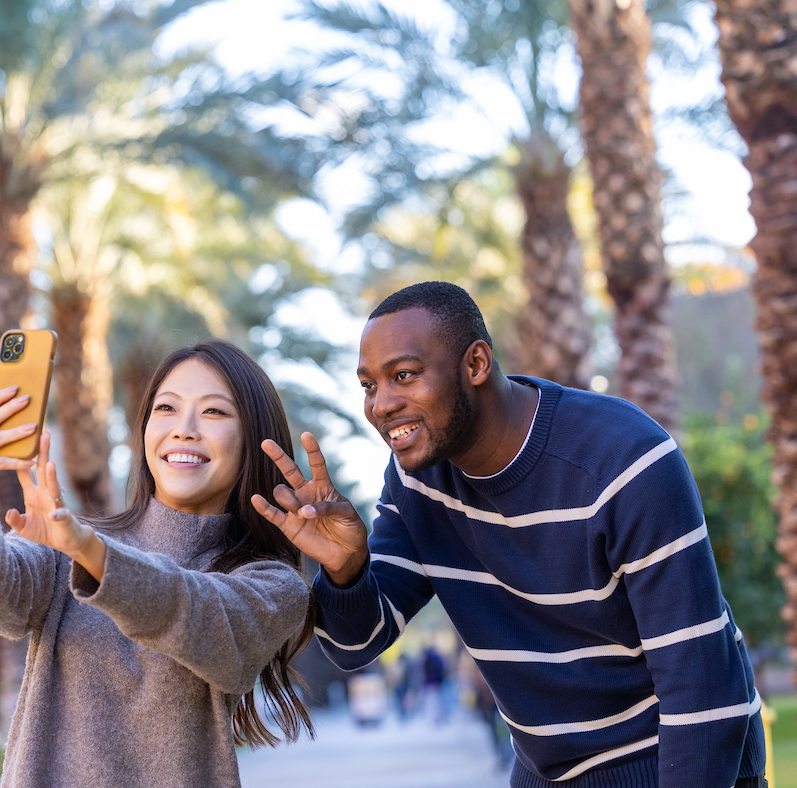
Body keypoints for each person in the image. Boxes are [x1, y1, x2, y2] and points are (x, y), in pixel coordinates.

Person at [252, 282, 766, 787]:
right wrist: (345, 570)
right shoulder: (417, 479)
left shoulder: (624, 460)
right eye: (368, 384)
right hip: (547, 769)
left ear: (475, 364)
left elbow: (700, 687)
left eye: (403, 375)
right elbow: (355, 644)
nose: (380, 405)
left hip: (674, 761)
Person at [0, 339, 314, 788]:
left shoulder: (272, 584)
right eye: (165, 409)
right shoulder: (72, 541)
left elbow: (193, 610)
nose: (184, 429)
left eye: (214, 412)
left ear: (256, 441)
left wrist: (91, 552)